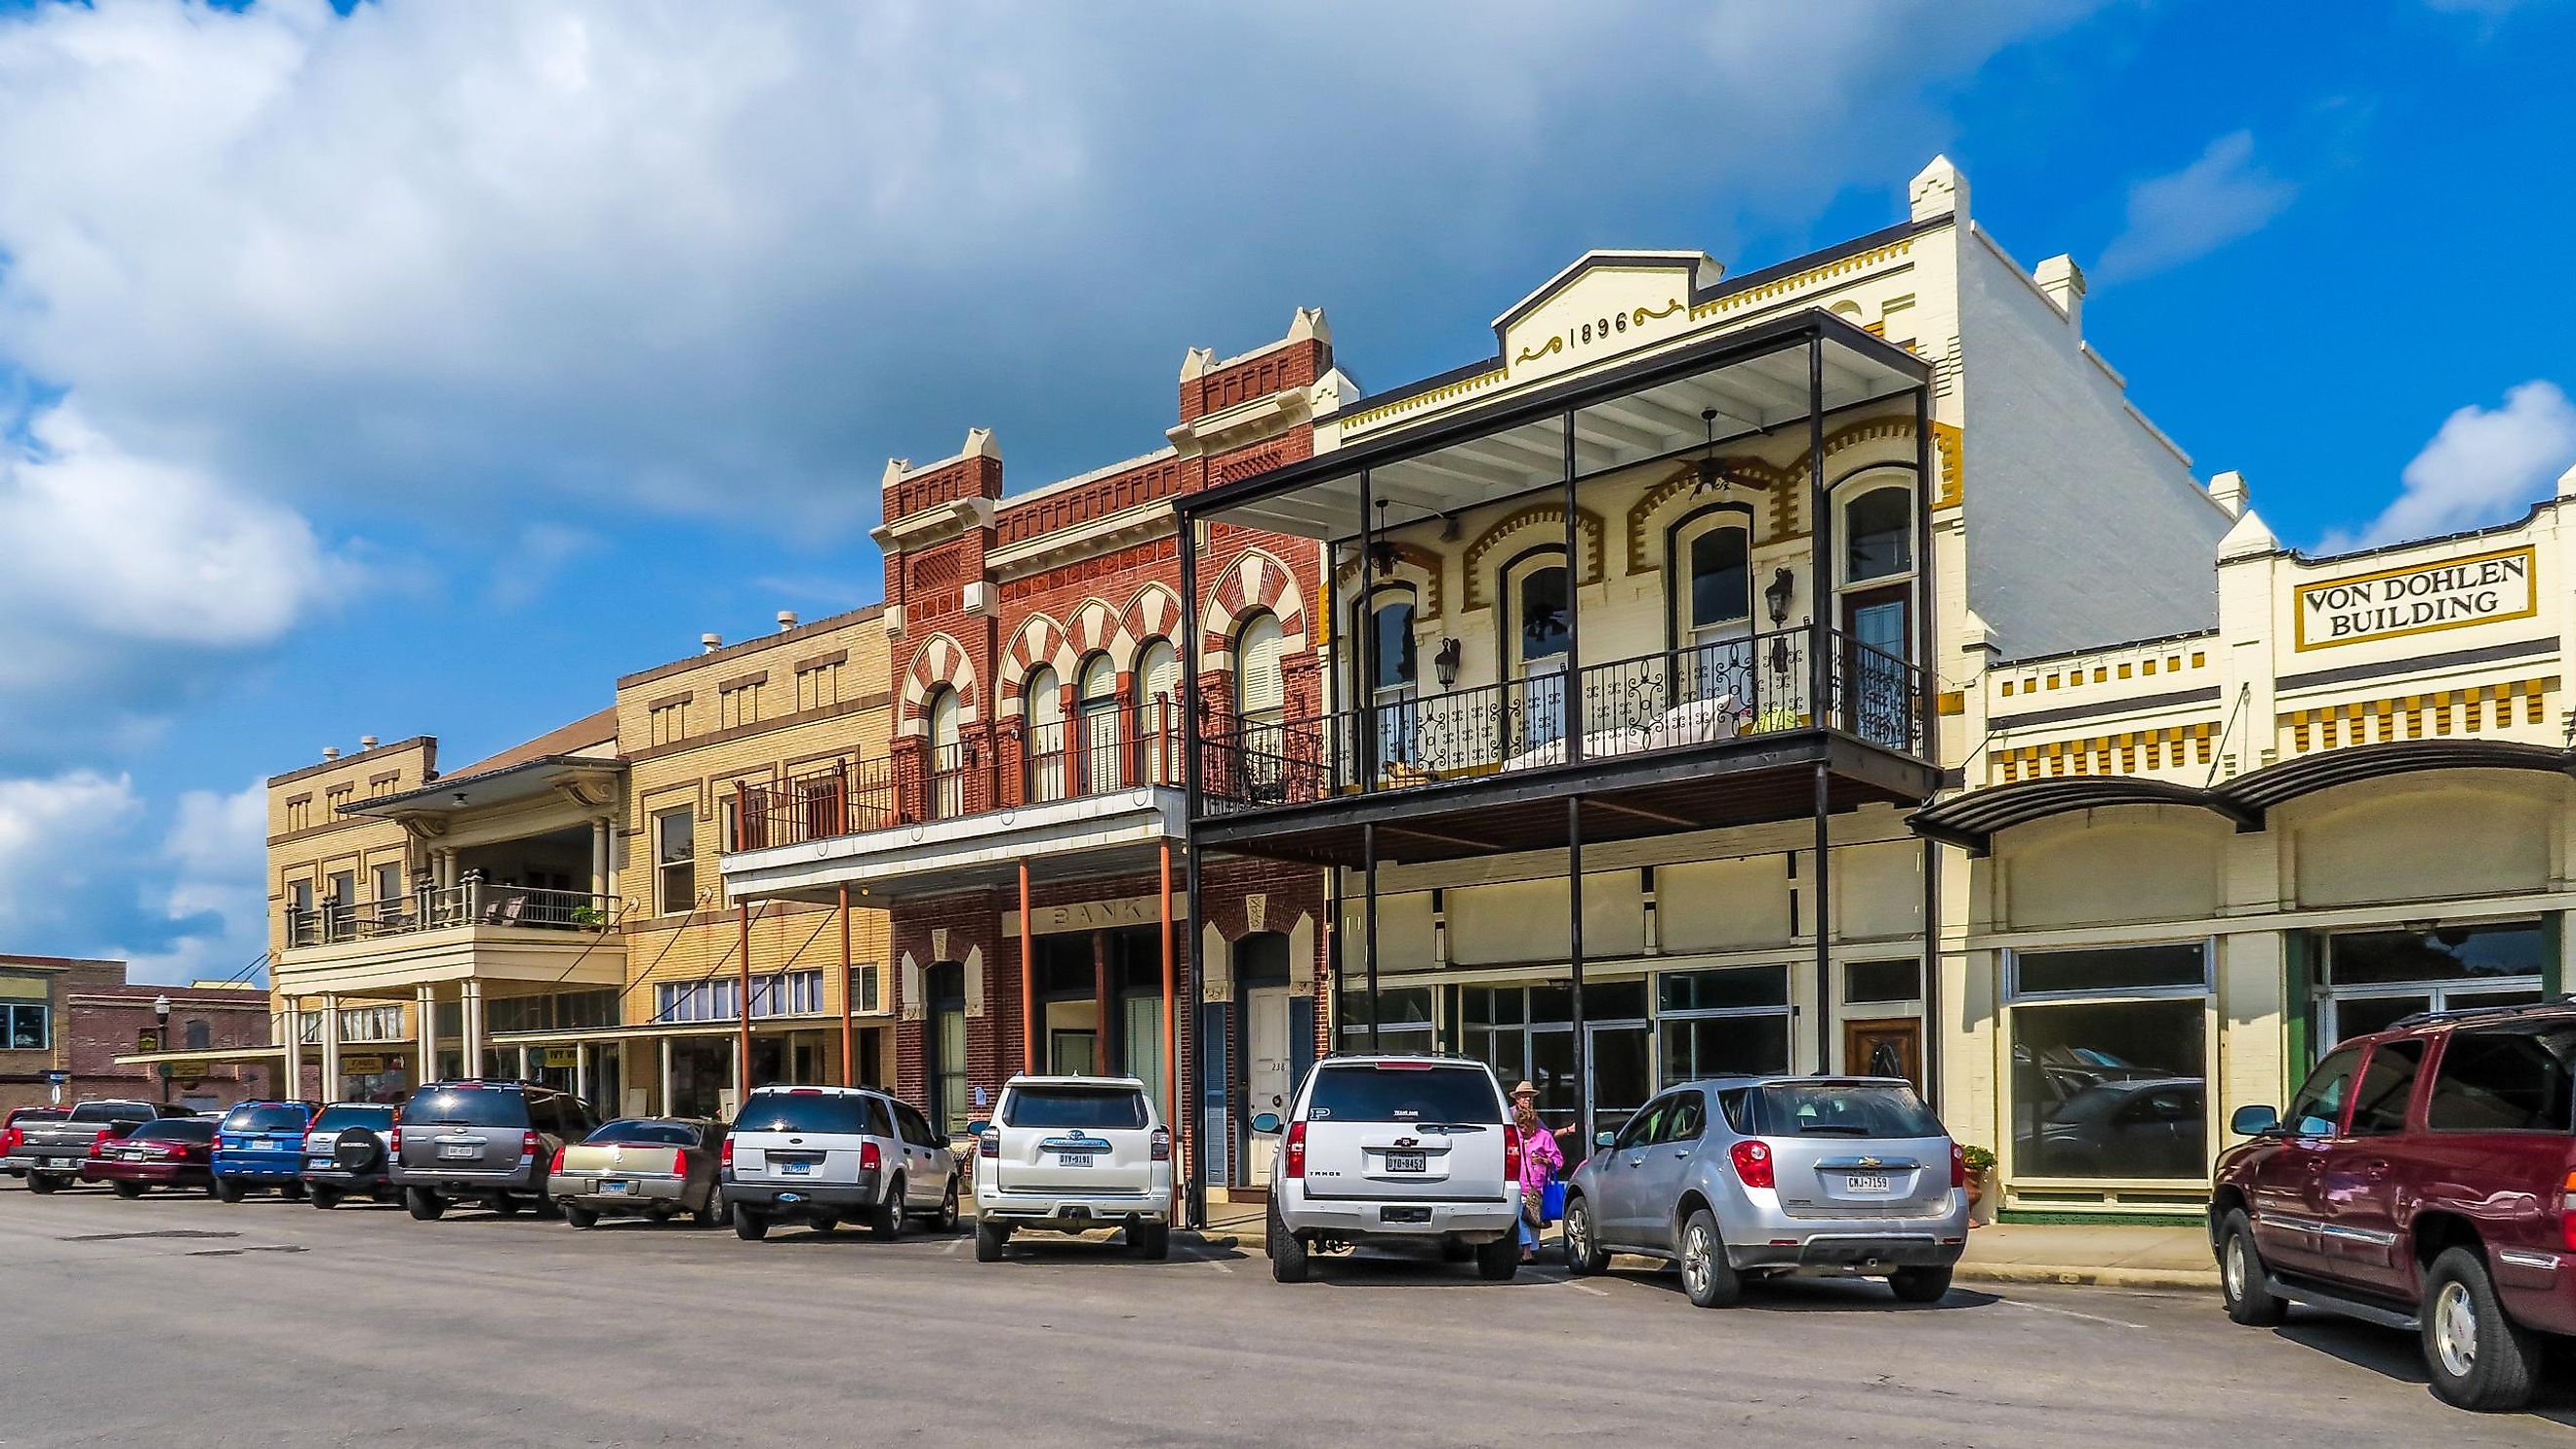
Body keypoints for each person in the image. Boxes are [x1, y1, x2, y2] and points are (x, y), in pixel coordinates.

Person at [1509, 1080, 1564, 1264]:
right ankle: (1526, 1251)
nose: (1523, 1130)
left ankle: (1530, 1250)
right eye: (1524, 1096)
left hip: (1537, 1185)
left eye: (1526, 1126)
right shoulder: (1512, 1128)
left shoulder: (1543, 1136)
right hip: (1518, 1183)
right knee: (1521, 1216)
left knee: (1533, 1219)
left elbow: (1558, 1161)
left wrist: (1544, 1160)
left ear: (1533, 1124)